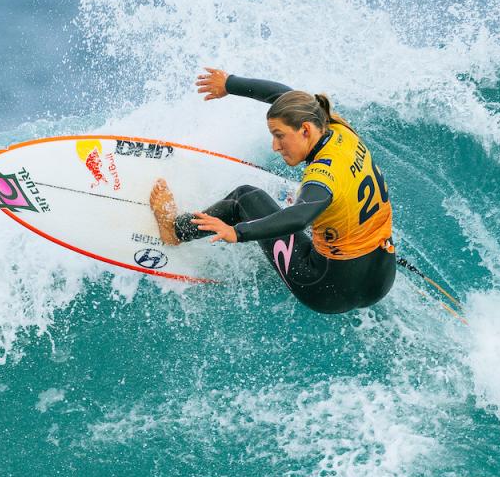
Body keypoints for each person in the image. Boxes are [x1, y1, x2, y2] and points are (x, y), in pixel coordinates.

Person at [148, 68, 395, 315]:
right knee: (328, 206)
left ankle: (174, 231)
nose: (275, 146)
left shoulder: (323, 175)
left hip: (326, 289)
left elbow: (299, 218)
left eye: (279, 136)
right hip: (382, 279)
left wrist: (237, 232)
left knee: (244, 198)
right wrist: (229, 84)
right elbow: (284, 97)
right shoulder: (339, 128)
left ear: (305, 130)